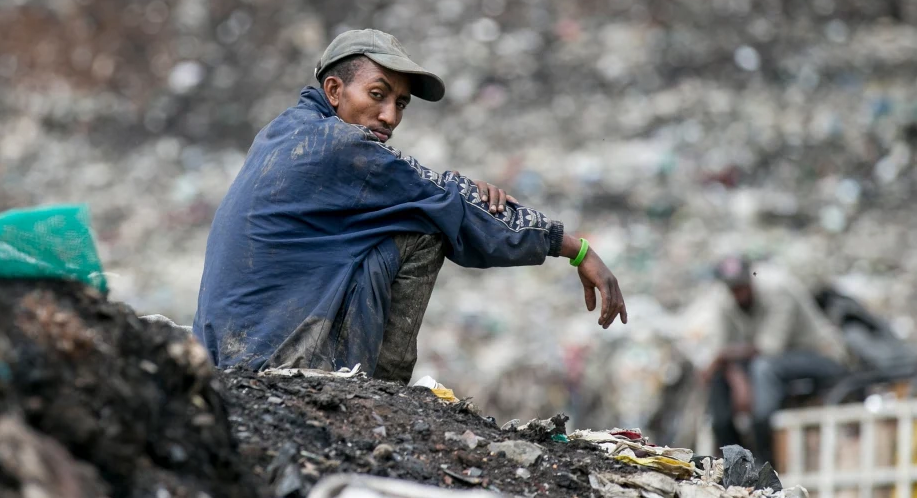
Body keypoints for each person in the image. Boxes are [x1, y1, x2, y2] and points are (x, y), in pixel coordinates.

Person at [192, 28, 627, 382]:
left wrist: (455, 191)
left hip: (229, 352)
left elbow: (420, 187)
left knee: (412, 213)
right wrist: (577, 249)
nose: (390, 116)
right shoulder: (339, 146)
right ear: (334, 89)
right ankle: (381, 392)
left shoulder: (284, 132)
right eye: (377, 94)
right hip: (271, 363)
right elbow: (444, 206)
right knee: (424, 229)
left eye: (400, 103)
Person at [703, 256, 851, 465]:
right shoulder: (724, 300)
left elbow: (769, 348)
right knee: (719, 378)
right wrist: (735, 377)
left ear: (750, 279)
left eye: (742, 286)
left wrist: (727, 361)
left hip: (817, 357)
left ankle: (765, 451)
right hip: (767, 361)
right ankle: (732, 461)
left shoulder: (778, 289)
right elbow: (719, 351)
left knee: (763, 368)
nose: (739, 294)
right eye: (733, 289)